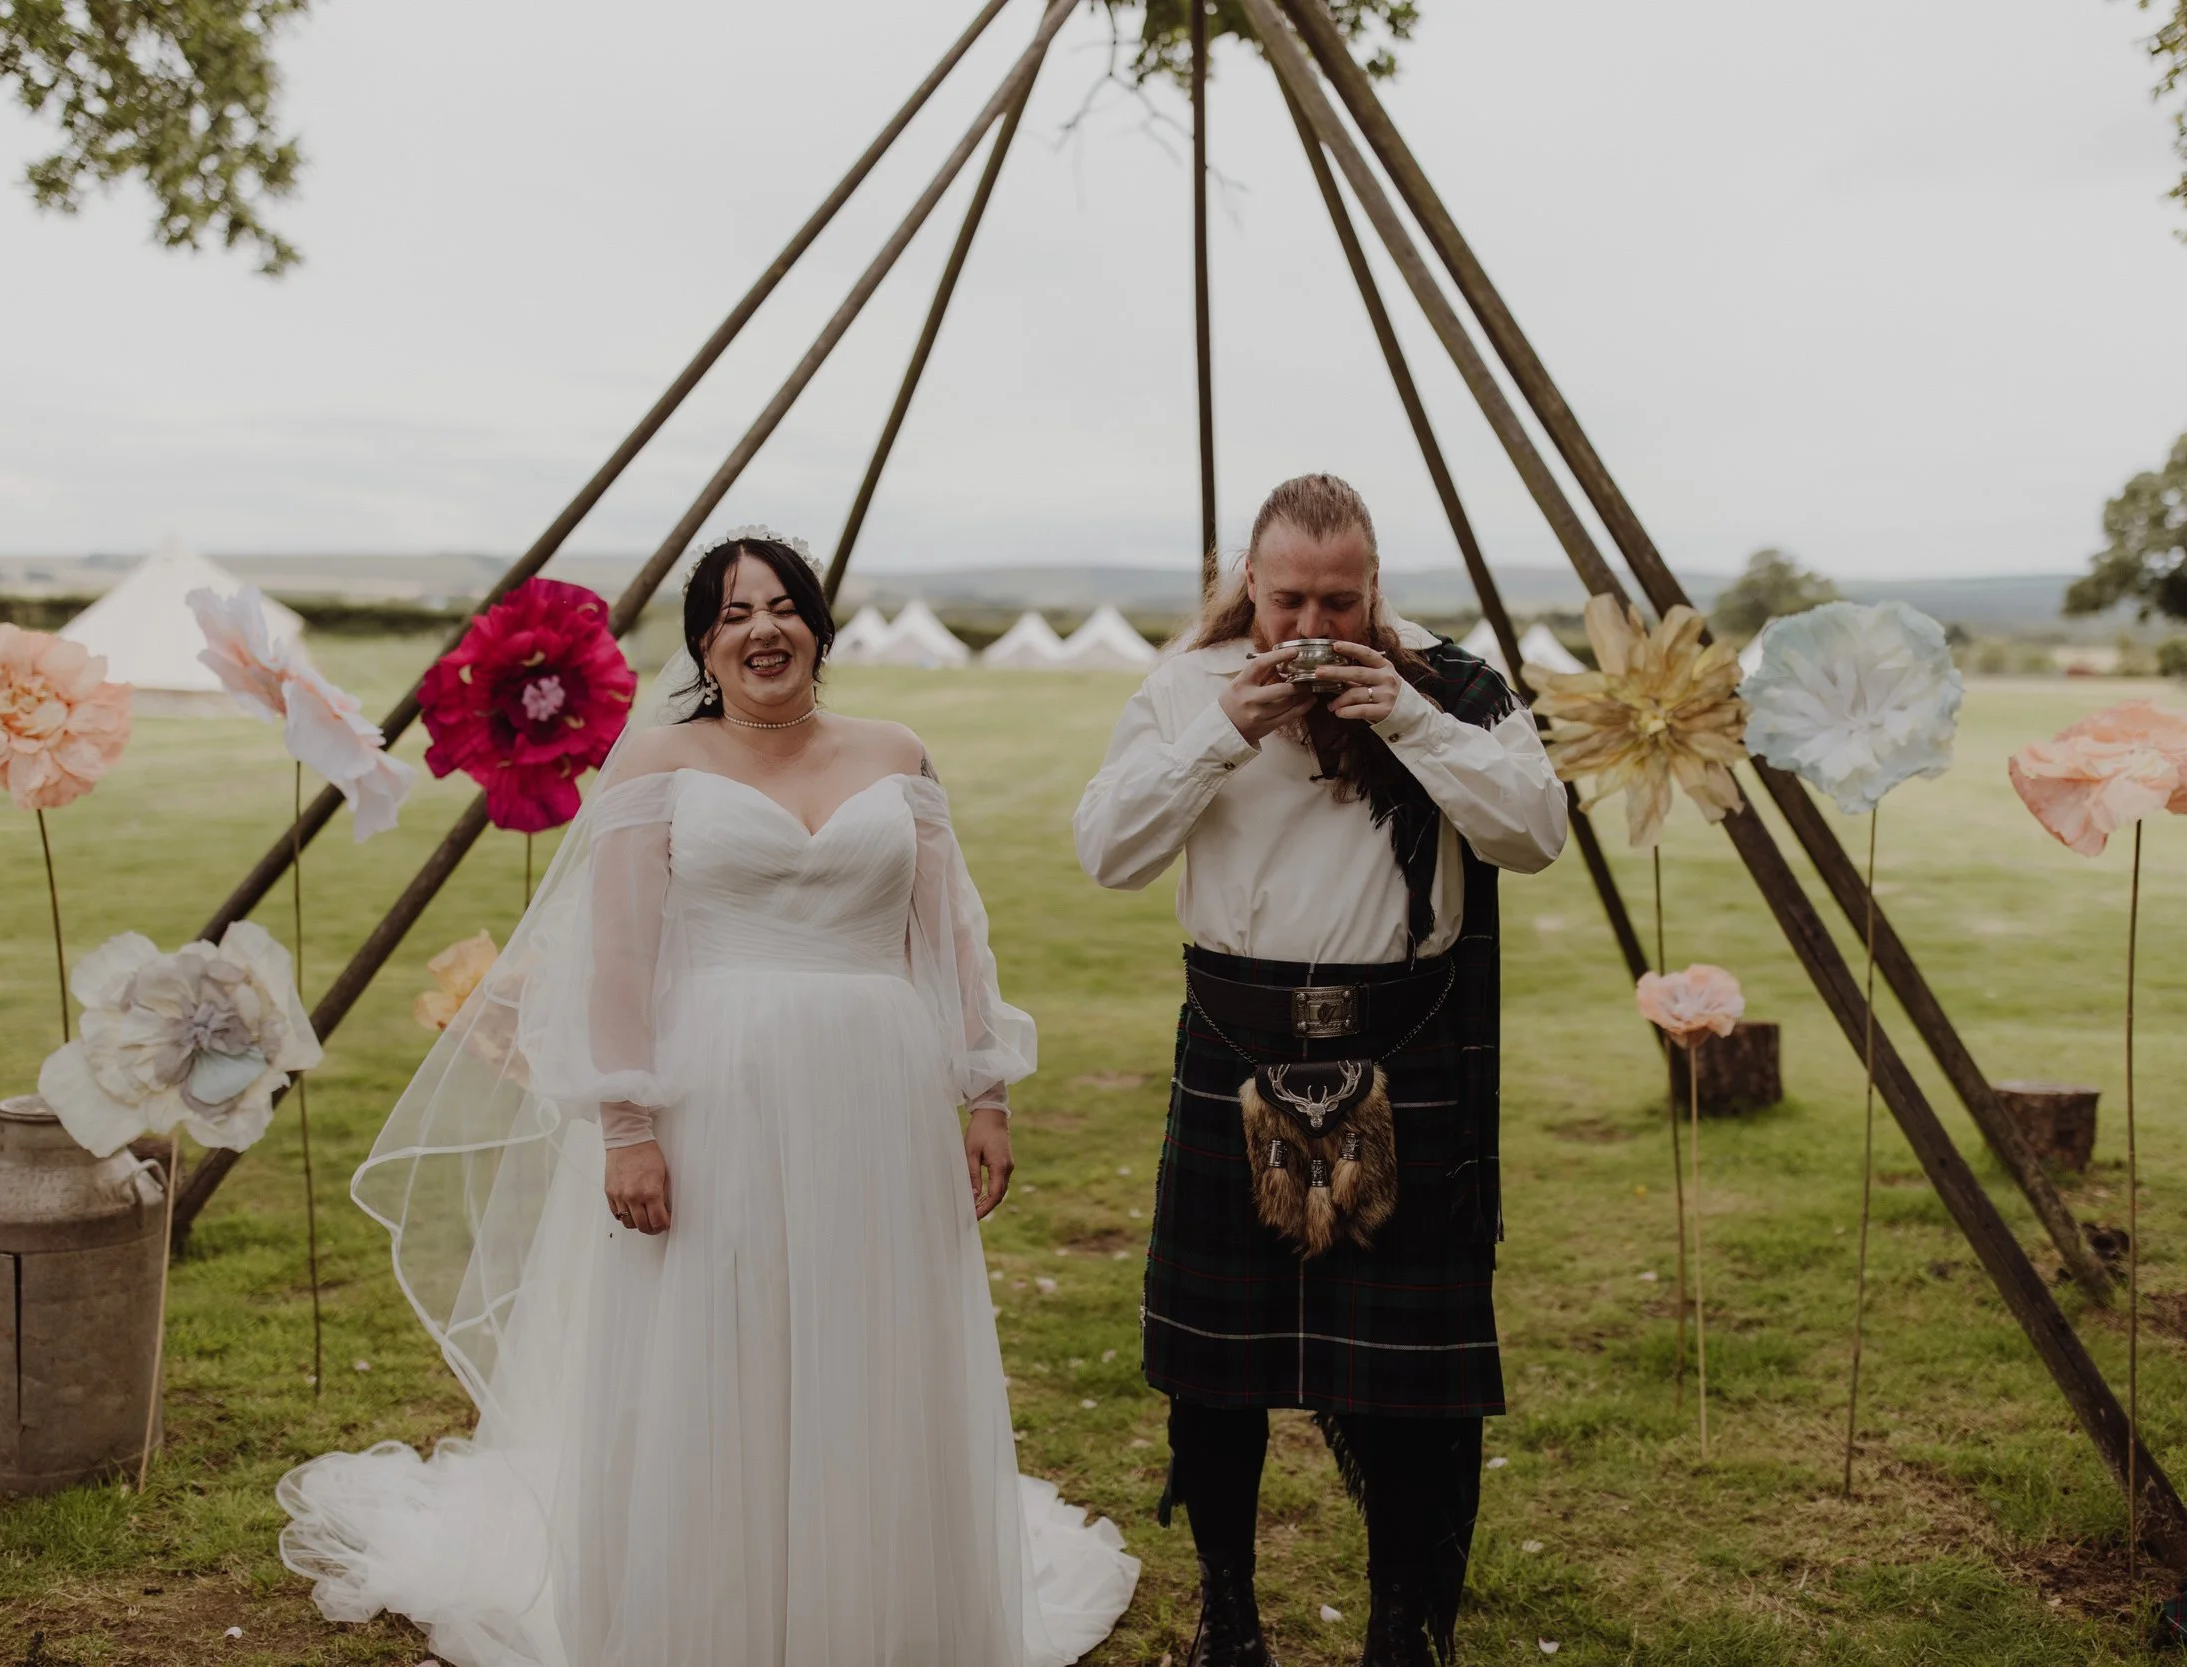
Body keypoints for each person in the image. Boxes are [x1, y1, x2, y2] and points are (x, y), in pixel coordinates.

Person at [279, 530, 1139, 1667]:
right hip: (714, 1090)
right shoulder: (656, 764)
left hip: (879, 1097)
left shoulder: (897, 753)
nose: (762, 629)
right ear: (702, 641)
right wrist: (626, 1125)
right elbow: (619, 958)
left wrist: (984, 1090)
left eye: (784, 607)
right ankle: (711, 1612)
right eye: (734, 614)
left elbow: (949, 935)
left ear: (819, 629)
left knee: (868, 1334)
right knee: (717, 1343)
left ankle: (874, 1608)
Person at [1073, 476, 1569, 1667]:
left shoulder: (1447, 685)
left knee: (1407, 1392)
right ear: (1249, 581)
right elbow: (1109, 854)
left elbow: (1534, 833)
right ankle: (1228, 1615)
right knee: (1216, 1378)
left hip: (1403, 1047)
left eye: (1338, 603)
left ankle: (1403, 1627)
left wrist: (1406, 716)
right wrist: (1222, 731)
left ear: (1373, 583)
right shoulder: (1186, 689)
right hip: (1236, 1045)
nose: (1310, 628)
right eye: (1287, 598)